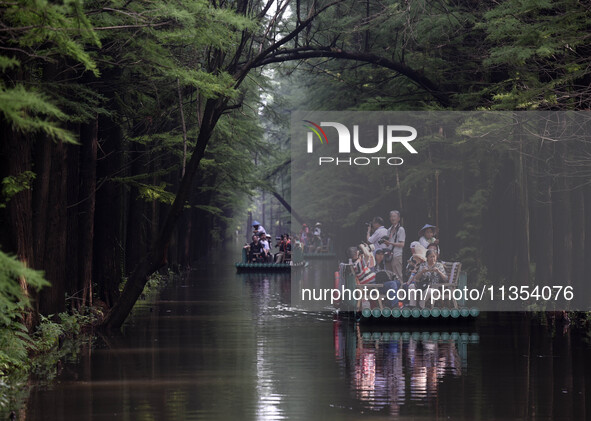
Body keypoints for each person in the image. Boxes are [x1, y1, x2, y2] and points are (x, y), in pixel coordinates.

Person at [382, 210, 405, 283]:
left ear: (398, 218)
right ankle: (392, 293)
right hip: (389, 255)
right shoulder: (389, 229)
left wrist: (390, 243)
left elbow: (402, 244)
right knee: (389, 275)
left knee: (397, 275)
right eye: (391, 216)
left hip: (397, 255)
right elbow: (389, 243)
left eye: (394, 216)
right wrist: (386, 242)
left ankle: (401, 294)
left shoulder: (401, 229)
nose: (392, 218)